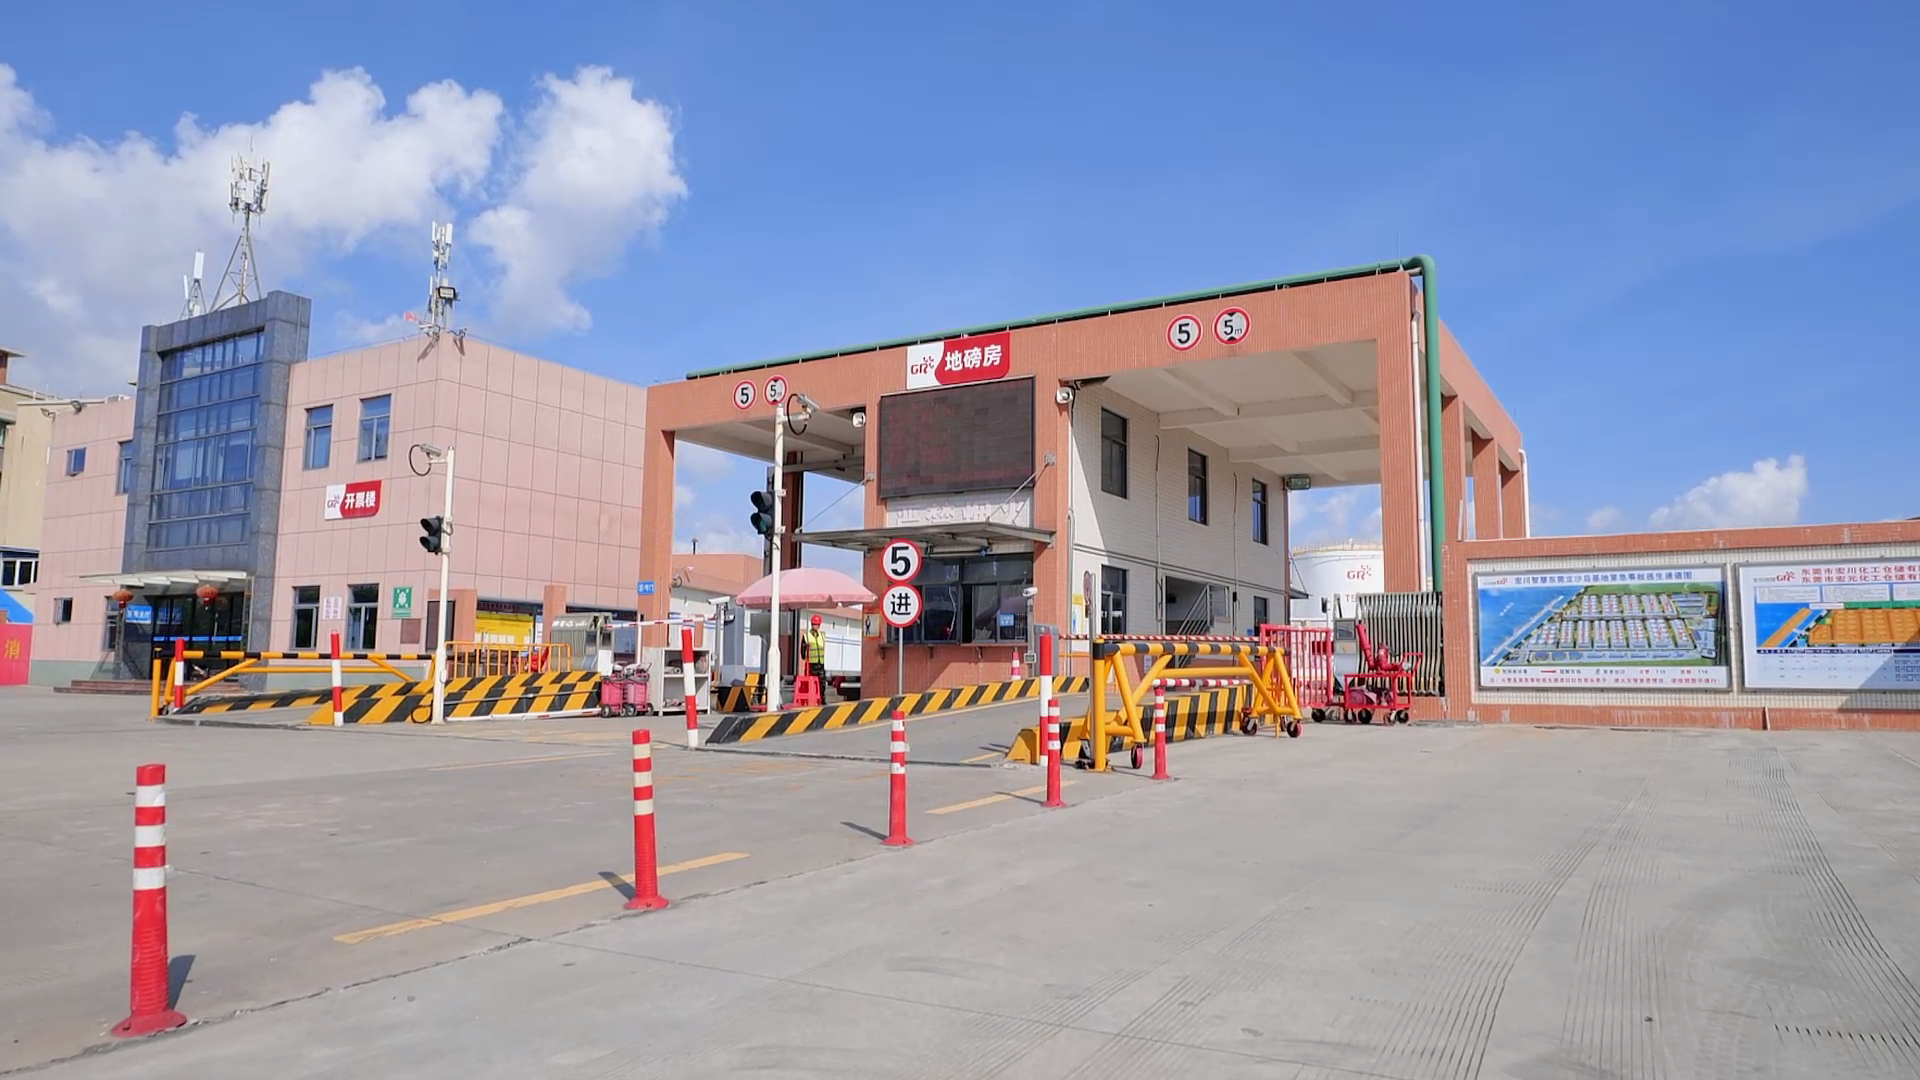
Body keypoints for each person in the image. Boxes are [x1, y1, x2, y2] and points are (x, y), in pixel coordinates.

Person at [803, 614, 828, 682]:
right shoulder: (807, 636)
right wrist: (805, 657)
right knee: (812, 681)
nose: (816, 626)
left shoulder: (822, 635)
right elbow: (802, 651)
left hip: (821, 663)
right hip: (811, 664)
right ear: (812, 624)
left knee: (822, 681)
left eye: (818, 624)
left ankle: (822, 689)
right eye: (815, 624)